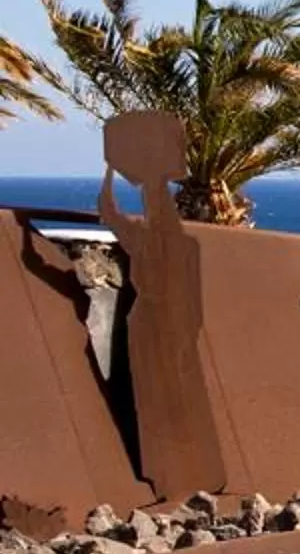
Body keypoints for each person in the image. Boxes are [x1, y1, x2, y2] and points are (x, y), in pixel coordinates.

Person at [97, 110, 227, 497]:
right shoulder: (161, 242)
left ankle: (186, 476)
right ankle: (169, 475)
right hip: (152, 325)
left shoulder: (180, 245)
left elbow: (190, 302)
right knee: (158, 403)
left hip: (164, 327)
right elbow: (122, 225)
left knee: (172, 400)